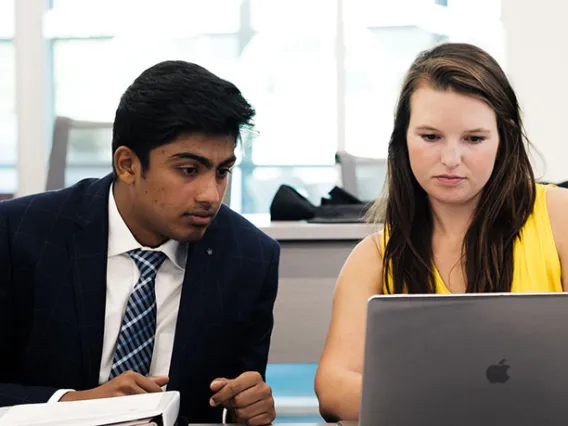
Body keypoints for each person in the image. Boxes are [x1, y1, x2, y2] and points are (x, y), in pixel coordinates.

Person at [0, 60, 279, 425]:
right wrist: (73, 403)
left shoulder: (250, 258)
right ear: (128, 165)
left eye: (223, 171)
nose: (212, 194)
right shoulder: (21, 235)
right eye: (189, 170)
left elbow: (228, 401)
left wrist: (243, 410)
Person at [314, 42, 568, 421]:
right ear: (403, 139)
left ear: (505, 138)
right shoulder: (375, 257)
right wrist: (463, 402)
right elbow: (332, 390)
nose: (451, 160)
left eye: (474, 139)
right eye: (430, 137)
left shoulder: (557, 215)